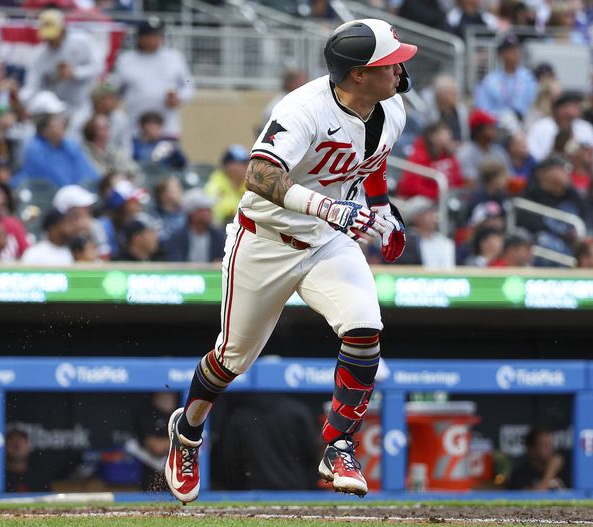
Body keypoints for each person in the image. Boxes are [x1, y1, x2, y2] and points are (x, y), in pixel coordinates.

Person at [163, 18, 414, 503]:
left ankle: (338, 443)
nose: (401, 68)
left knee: (365, 329)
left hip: (326, 240)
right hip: (264, 240)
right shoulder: (304, 108)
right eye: (390, 62)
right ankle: (188, 430)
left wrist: (383, 212)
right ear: (358, 74)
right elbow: (259, 175)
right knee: (231, 358)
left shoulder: (391, 107)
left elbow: (373, 159)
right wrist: (329, 206)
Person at [112, 17, 194, 138]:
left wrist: (180, 97)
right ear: (140, 37)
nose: (155, 39)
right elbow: (114, 89)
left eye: (158, 35)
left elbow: (189, 82)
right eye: (150, 35)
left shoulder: (175, 58)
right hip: (135, 129)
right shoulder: (126, 60)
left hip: (167, 128)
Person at [19, 8, 101, 125]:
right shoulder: (39, 55)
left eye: (53, 35)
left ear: (63, 30)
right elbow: (33, 85)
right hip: (54, 108)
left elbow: (98, 67)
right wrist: (23, 101)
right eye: (47, 36)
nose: (50, 40)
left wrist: (75, 72)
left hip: (82, 104)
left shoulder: (83, 42)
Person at [12, 92, 99, 189]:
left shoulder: (71, 145)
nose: (63, 122)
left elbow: (91, 176)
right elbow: (58, 184)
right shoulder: (33, 150)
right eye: (57, 119)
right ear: (44, 126)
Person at [473, 33, 537, 121]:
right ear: (501, 54)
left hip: (525, 122)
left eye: (517, 50)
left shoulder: (527, 77)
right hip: (498, 127)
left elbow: (533, 102)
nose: (516, 54)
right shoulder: (490, 81)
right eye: (511, 51)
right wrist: (503, 117)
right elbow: (483, 109)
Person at [396, 121, 463, 200]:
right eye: (443, 133)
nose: (448, 136)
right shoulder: (419, 156)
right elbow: (411, 187)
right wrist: (438, 195)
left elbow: (458, 180)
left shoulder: (449, 155)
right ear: (432, 137)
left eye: (448, 133)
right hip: (423, 199)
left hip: (447, 198)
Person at [527, 92, 593, 163]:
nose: (575, 109)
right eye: (571, 106)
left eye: (577, 106)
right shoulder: (541, 127)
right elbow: (534, 156)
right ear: (558, 109)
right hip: (550, 170)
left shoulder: (585, 127)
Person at [166, 189, 225, 263]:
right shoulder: (177, 236)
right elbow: (175, 262)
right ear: (192, 213)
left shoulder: (218, 236)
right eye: (204, 209)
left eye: (209, 209)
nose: (210, 212)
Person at [82, 114, 142, 181]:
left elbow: (131, 168)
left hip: (121, 183)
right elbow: (98, 172)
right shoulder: (85, 151)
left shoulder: (113, 149)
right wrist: (115, 173)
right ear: (92, 131)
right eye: (103, 128)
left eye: (108, 127)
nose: (107, 130)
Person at [458, 109, 511, 185]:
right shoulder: (466, 153)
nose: (494, 131)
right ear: (478, 131)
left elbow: (509, 178)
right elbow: (470, 185)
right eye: (490, 127)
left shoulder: (499, 151)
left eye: (494, 127)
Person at [204, 145, 250, 225]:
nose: (248, 166)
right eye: (242, 163)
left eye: (248, 162)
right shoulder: (214, 184)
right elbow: (216, 214)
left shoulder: (251, 184)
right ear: (228, 166)